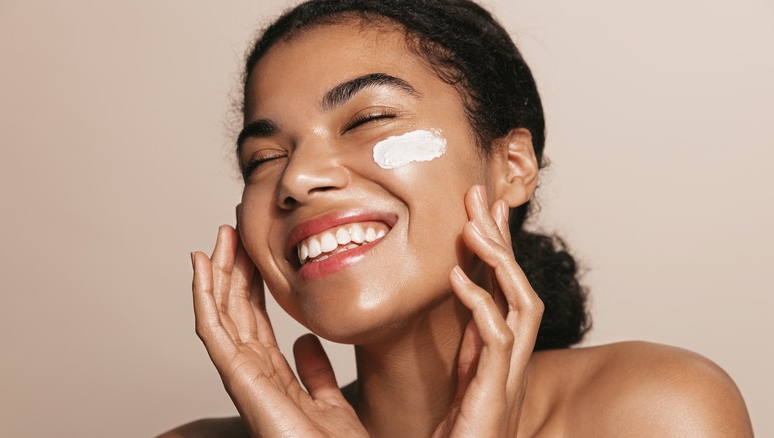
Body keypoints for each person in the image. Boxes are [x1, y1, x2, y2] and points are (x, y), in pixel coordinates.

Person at [160, 0, 753, 436]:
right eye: (264, 158)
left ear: (511, 166)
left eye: (368, 119)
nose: (296, 179)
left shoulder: (656, 412)